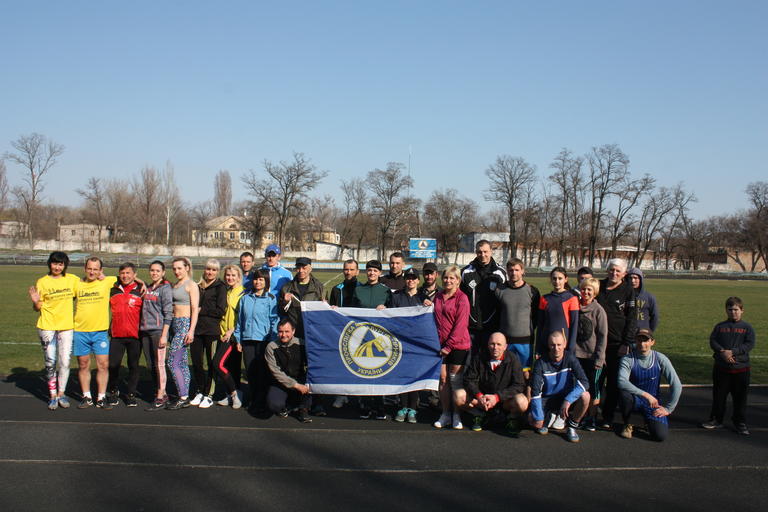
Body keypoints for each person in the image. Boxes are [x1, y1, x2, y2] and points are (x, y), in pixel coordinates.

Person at [28, 251, 79, 410]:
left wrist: (101, 276)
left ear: (65, 265)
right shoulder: (42, 282)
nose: (57, 267)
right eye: (55, 263)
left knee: (64, 362)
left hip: (66, 326)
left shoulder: (72, 280)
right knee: (50, 362)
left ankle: (61, 394)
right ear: (50, 264)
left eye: (60, 264)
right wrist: (36, 302)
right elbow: (37, 308)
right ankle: (52, 396)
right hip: (47, 326)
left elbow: (87, 287)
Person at [702, 297, 756, 435]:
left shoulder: (747, 328)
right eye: (730, 309)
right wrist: (722, 352)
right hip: (722, 368)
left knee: (740, 398)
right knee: (719, 396)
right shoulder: (720, 327)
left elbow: (749, 344)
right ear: (726, 310)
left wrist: (733, 352)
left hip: (741, 369)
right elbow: (713, 341)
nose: (733, 312)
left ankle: (740, 422)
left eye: (736, 309)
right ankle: (716, 419)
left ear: (742, 310)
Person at [457, 332, 529, 435]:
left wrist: (497, 397)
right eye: (492, 344)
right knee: (458, 396)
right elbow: (468, 379)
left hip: (504, 401)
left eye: (499, 344)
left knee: (522, 402)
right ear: (488, 345)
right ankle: (479, 415)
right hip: (483, 400)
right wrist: (479, 396)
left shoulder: (513, 359)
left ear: (505, 347)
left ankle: (511, 418)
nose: (495, 347)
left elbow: (519, 384)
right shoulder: (479, 357)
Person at [618, 329, 682, 442]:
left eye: (646, 340)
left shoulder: (660, 359)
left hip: (653, 404)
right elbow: (621, 381)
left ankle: (648, 421)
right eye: (639, 340)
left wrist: (668, 409)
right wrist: (646, 395)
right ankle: (628, 423)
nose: (642, 344)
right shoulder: (628, 359)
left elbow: (676, 384)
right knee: (624, 394)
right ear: (635, 341)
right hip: (635, 400)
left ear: (652, 342)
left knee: (660, 436)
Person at [596, 258, 637, 430]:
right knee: (595, 381)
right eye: (611, 270)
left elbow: (632, 319)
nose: (614, 273)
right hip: (597, 343)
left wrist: (626, 342)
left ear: (624, 274)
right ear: (607, 270)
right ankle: (589, 413)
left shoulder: (628, 291)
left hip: (616, 345)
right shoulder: (599, 285)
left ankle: (608, 416)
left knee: (612, 383)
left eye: (618, 271)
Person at [529, 331, 590, 443]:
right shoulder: (540, 363)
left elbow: (585, 382)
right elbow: (535, 392)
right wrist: (538, 417)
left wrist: (568, 400)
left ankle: (571, 427)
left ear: (564, 344)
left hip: (565, 399)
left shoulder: (571, 359)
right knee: (532, 420)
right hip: (547, 400)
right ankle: (549, 416)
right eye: (553, 345)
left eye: (559, 345)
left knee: (586, 396)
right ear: (548, 345)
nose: (556, 348)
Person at [384, 267, 427, 423]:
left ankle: (413, 409)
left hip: (417, 344)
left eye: (413, 278)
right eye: (408, 278)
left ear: (418, 280)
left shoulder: (424, 298)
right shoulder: (396, 297)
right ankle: (402, 407)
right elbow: (390, 317)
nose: (411, 280)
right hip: (400, 343)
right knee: (403, 376)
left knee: (414, 376)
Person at [232, 268, 279, 412]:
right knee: (251, 372)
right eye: (255, 279)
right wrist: (239, 339)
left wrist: (272, 339)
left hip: (263, 340)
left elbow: (274, 320)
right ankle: (254, 398)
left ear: (266, 282)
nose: (257, 282)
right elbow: (239, 321)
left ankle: (262, 400)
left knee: (263, 372)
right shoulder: (245, 298)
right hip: (247, 340)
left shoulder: (271, 298)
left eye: (261, 279)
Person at [73, 257, 117, 410]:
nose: (92, 272)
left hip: (100, 332)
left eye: (95, 269)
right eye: (89, 268)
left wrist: (142, 283)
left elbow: (129, 277)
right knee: (83, 364)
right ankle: (87, 396)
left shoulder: (107, 281)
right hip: (80, 331)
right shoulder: (76, 284)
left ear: (101, 271)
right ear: (85, 269)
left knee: (103, 365)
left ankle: (101, 397)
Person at [432, 265, 471, 430]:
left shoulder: (462, 298)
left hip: (458, 345)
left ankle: (457, 414)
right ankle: (445, 413)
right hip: (439, 346)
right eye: (446, 278)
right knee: (443, 380)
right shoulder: (438, 296)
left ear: (458, 281)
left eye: (452, 278)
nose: (448, 281)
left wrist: (449, 346)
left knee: (455, 381)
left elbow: (461, 325)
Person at [352, 260, 391, 420]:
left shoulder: (386, 291)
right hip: (361, 336)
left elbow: (395, 313)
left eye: (375, 270)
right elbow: (350, 311)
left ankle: (380, 405)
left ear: (380, 273)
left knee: (379, 371)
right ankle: (365, 405)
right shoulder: (358, 290)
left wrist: (387, 309)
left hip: (381, 338)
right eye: (369, 270)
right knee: (364, 370)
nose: (372, 273)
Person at [105, 263, 144, 407]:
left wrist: (141, 282)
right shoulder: (113, 290)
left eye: (128, 273)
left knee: (133, 366)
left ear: (135, 274)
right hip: (117, 335)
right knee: (113, 365)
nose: (125, 276)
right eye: (122, 273)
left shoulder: (141, 290)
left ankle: (131, 394)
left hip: (135, 336)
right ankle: (113, 391)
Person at [190, 259, 227, 408]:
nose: (210, 272)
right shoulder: (198, 287)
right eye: (208, 269)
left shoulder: (220, 287)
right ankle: (199, 389)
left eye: (213, 270)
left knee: (211, 363)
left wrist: (201, 311)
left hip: (211, 331)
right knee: (197, 362)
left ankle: (209, 394)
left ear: (217, 272)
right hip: (196, 330)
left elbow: (220, 310)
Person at [494, 258, 540, 374]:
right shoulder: (500, 290)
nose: (513, 273)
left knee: (525, 374)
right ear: (507, 272)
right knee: (505, 373)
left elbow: (536, 316)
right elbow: (497, 314)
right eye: (510, 270)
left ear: (523, 271)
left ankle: (525, 393)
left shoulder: (532, 291)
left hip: (525, 342)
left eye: (517, 270)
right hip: (504, 342)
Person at [574, 277, 608, 431]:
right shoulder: (575, 307)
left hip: (592, 357)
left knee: (593, 391)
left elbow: (602, 336)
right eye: (584, 289)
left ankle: (591, 418)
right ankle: (578, 416)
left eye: (590, 290)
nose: (586, 292)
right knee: (579, 388)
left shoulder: (598, 310)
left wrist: (600, 358)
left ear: (594, 293)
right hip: (577, 356)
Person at [460, 240, 507, 352]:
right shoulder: (466, 272)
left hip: (492, 327)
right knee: (470, 361)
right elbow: (459, 297)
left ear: (491, 251)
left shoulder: (500, 273)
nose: (483, 255)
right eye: (479, 252)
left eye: (485, 252)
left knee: (488, 360)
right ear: (476, 253)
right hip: (470, 327)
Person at [166, 257, 199, 410]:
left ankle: (183, 396)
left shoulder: (191, 285)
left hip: (184, 324)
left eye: (179, 268)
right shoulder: (175, 285)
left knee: (172, 362)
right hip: (174, 324)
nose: (176, 271)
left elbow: (194, 309)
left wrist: (191, 330)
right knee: (182, 363)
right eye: (174, 268)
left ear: (187, 268)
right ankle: (184, 394)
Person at [140, 260, 174, 411]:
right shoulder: (147, 287)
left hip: (158, 331)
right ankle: (163, 392)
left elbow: (168, 313)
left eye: (157, 271)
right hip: (145, 331)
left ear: (163, 272)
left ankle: (160, 396)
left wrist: (164, 335)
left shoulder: (165, 288)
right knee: (151, 364)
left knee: (159, 364)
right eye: (152, 270)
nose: (154, 273)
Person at [211, 264, 246, 409]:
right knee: (232, 367)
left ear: (239, 277)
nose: (230, 278)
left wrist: (232, 331)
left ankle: (234, 394)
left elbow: (243, 317)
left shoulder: (242, 293)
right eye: (227, 275)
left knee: (217, 363)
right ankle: (231, 393)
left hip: (232, 335)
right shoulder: (226, 291)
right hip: (222, 334)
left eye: (233, 275)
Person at [264, 318, 312, 423]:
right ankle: (287, 406)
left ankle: (303, 409)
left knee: (310, 382)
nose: (284, 335)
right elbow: (275, 372)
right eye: (280, 331)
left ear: (293, 331)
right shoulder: (271, 347)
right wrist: (295, 385)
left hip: (300, 378)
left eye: (287, 331)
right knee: (274, 404)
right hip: (281, 382)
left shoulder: (302, 344)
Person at [328, 259, 360, 409]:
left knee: (359, 362)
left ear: (358, 271)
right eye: (346, 269)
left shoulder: (363, 288)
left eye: (352, 269)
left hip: (359, 331)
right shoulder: (336, 289)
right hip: (341, 331)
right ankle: (341, 394)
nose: (349, 272)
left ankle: (360, 395)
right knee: (342, 362)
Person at [536, 267, 579, 355]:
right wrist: (538, 347)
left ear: (566, 279)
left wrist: (570, 348)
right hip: (546, 346)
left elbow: (574, 326)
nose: (557, 281)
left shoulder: (572, 298)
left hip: (563, 347)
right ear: (551, 280)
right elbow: (540, 325)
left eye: (560, 278)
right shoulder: (544, 299)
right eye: (554, 278)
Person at [279, 257, 324, 340]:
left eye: (304, 268)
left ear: (310, 268)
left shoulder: (319, 287)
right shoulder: (287, 288)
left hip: (312, 331)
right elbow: (281, 312)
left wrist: (325, 306)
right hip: (293, 333)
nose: (301, 271)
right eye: (298, 268)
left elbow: (323, 313)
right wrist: (285, 302)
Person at [627, 268, 659, 332]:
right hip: (625, 334)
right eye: (630, 278)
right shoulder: (623, 296)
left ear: (640, 279)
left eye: (635, 278)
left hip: (642, 334)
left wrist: (649, 331)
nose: (632, 280)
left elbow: (655, 317)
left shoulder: (649, 297)